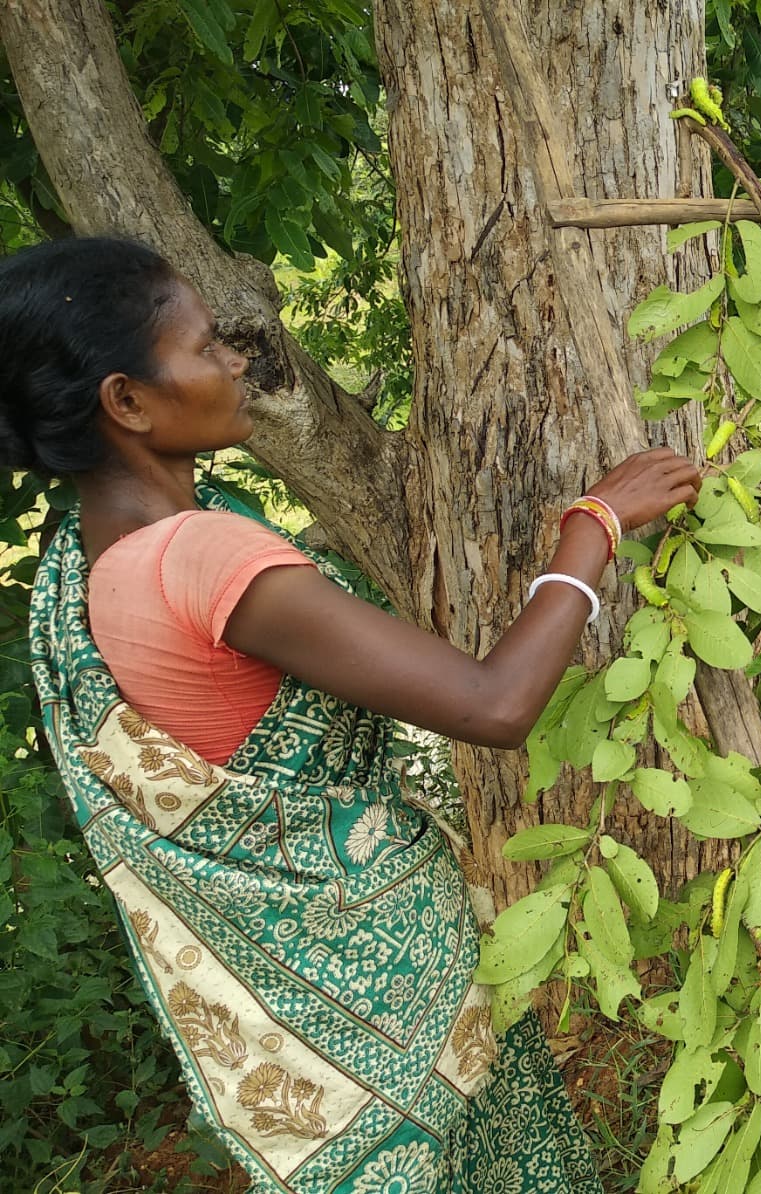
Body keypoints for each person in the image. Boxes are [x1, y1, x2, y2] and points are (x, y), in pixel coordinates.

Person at [7, 236, 701, 1192]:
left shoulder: (83, 569)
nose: (237, 360)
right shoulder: (199, 558)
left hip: (319, 1045)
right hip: (395, 1006)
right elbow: (495, 705)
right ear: (126, 401)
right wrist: (595, 529)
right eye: (206, 348)